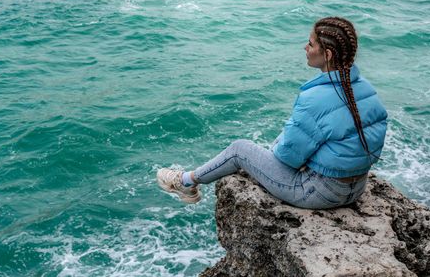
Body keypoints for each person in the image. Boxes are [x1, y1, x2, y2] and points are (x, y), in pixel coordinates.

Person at [156, 16, 388, 209]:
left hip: (320, 193)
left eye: (310, 44)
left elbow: (289, 157)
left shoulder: (315, 99)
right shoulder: (366, 89)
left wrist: (281, 153)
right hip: (355, 188)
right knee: (292, 136)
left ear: (326, 54)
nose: (305, 48)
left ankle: (186, 182)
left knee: (240, 150)